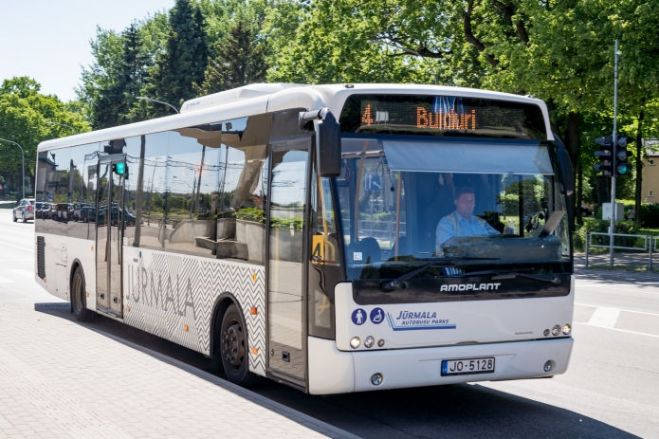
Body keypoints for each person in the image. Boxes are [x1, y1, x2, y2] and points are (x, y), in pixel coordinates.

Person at [435, 186, 498, 254]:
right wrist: (482, 244)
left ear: (475, 204)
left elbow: (497, 240)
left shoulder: (481, 222)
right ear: (456, 202)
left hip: (485, 263)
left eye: (471, 201)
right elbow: (451, 248)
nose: (469, 204)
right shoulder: (445, 223)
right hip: (457, 264)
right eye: (464, 201)